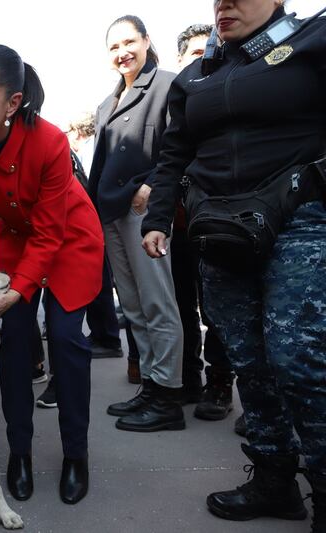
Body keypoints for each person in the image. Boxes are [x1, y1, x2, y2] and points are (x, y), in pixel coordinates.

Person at [142, 1, 326, 529]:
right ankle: (273, 481)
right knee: (250, 361)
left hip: (299, 220)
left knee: (299, 358)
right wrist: (158, 217)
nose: (225, 4)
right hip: (221, 230)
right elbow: (175, 150)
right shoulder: (201, 71)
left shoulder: (311, 41)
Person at [0, 44, 104, 505]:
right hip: (15, 239)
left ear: (13, 103)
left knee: (67, 339)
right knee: (13, 344)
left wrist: (21, 288)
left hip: (68, 238)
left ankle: (76, 456)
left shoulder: (49, 141)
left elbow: (49, 235)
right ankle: (19, 454)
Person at [88, 15, 185, 433]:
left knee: (158, 303)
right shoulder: (105, 105)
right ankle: (150, 385)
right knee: (132, 306)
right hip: (109, 212)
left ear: (147, 41)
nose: (122, 52)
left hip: (145, 212)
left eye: (129, 42)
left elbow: (181, 148)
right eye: (114, 46)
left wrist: (151, 186)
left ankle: (167, 397)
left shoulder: (166, 85)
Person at [170, 23, 234, 417]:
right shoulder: (176, 100)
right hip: (178, 224)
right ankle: (189, 379)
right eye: (192, 54)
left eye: (206, 50)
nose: (201, 59)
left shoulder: (231, 96)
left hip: (220, 222)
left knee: (216, 309)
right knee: (181, 306)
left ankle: (220, 385)